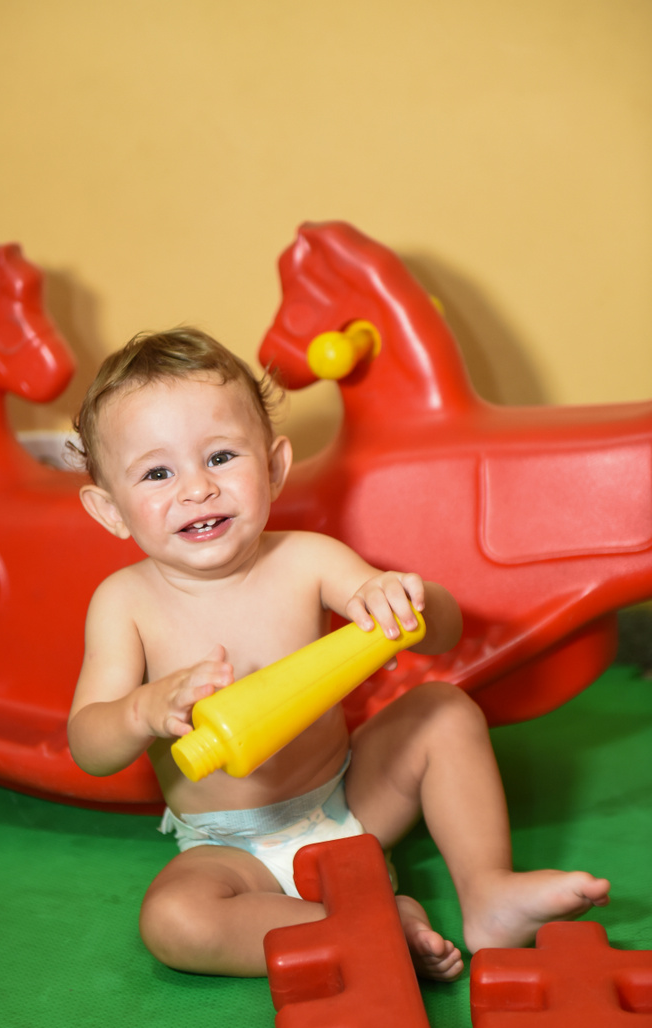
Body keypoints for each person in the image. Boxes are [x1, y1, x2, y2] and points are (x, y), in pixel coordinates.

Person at [67, 327, 610, 979]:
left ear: (272, 467)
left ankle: (488, 891)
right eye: (157, 472)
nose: (196, 489)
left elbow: (438, 633)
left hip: (350, 801)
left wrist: (405, 599)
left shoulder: (307, 560)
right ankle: (372, 928)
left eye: (220, 458)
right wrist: (143, 711)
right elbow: (88, 745)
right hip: (228, 849)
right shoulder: (124, 601)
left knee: (442, 707)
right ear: (110, 510)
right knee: (174, 921)